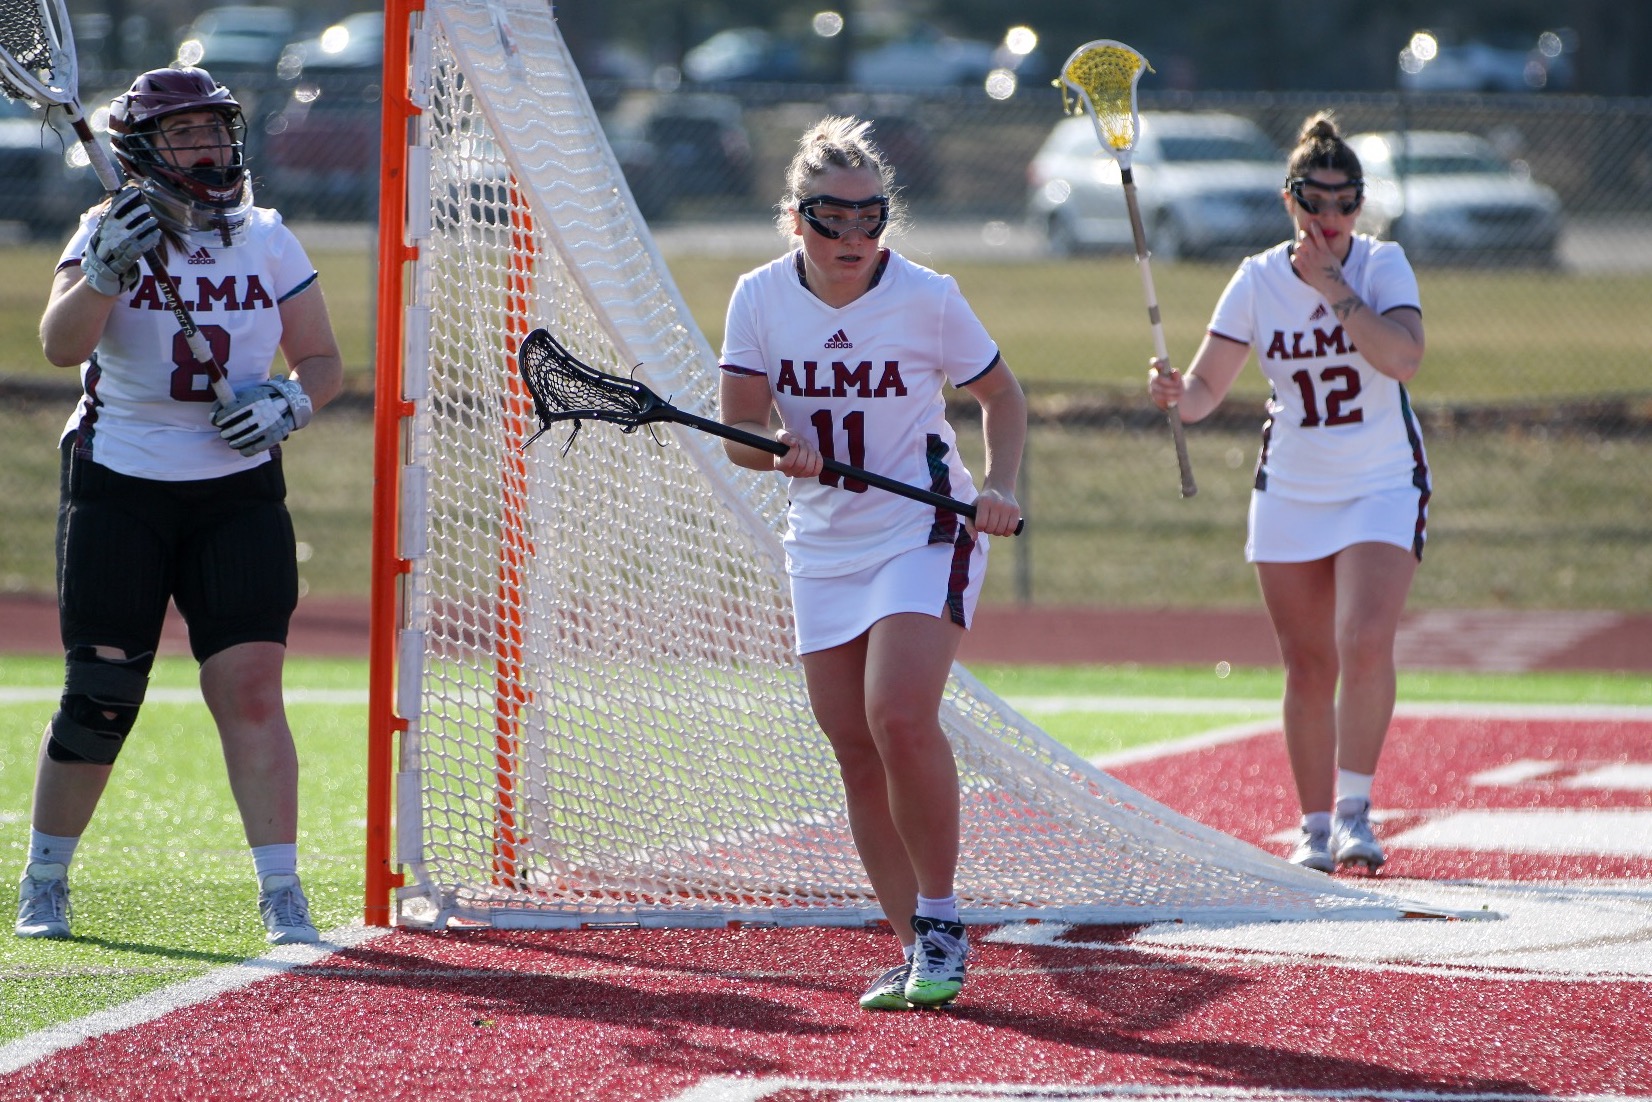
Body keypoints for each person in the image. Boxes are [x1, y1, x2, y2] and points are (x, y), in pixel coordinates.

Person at [14, 66, 343, 944]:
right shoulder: (105, 225)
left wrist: (287, 404)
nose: (207, 146)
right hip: (122, 478)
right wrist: (107, 272)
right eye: (184, 133)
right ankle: (45, 875)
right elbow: (57, 345)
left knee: (250, 685)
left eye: (214, 129)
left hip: (235, 488)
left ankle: (281, 891)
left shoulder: (268, 237)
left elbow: (323, 363)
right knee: (102, 693)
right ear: (142, 150)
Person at [719, 117, 1026, 1009]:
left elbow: (1000, 395)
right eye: (830, 218)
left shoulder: (928, 296)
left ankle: (941, 920)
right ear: (794, 218)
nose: (852, 237)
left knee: (896, 713)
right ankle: (913, 949)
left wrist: (999, 483)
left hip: (920, 530)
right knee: (853, 744)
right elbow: (738, 427)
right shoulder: (760, 298)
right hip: (821, 542)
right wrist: (777, 447)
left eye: (869, 217)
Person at [1147, 111, 1428, 876]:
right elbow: (1207, 389)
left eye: (1346, 202)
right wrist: (1176, 392)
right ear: (1290, 201)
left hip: (1379, 479)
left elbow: (1401, 357)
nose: (1331, 218)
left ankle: (1355, 812)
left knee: (1364, 639)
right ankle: (1310, 827)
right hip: (1293, 486)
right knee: (1307, 665)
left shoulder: (1380, 265)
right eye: (1315, 201)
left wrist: (1334, 287)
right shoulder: (1257, 279)